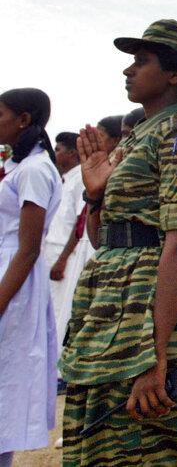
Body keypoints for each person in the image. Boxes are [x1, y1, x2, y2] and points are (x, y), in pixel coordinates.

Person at [60, 19, 177, 465]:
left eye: (141, 61)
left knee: (137, 444)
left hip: (143, 305)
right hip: (109, 296)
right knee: (94, 437)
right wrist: (95, 194)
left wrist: (156, 357)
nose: (128, 71)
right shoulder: (137, 139)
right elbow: (103, 238)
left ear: (176, 73)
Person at [0, 88, 62, 466]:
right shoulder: (20, 167)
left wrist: (2, 299)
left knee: (6, 377)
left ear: (23, 120)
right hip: (9, 270)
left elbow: (28, 247)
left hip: (13, 279)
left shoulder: (37, 170)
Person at [42, 131, 89, 351]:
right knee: (48, 306)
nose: (56, 153)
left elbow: (79, 223)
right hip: (51, 250)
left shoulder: (80, 178)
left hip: (65, 253)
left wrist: (62, 260)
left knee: (60, 309)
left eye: (59, 149)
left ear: (72, 153)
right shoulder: (65, 178)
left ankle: (59, 364)